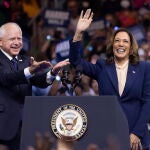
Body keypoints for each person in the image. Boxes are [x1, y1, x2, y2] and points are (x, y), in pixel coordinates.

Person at [69, 9, 150, 150]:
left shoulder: (144, 68)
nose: (120, 44)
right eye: (117, 41)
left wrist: (137, 133)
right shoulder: (102, 67)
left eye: (125, 41)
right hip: (109, 135)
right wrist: (78, 33)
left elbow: (147, 103)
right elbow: (76, 62)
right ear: (112, 45)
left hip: (137, 137)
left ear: (131, 47)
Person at [0, 22, 70, 150]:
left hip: (26, 124)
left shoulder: (25, 60)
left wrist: (53, 72)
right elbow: (6, 78)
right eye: (12, 39)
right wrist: (30, 71)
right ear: (0, 42)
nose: (17, 42)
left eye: (19, 38)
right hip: (3, 125)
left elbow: (41, 82)